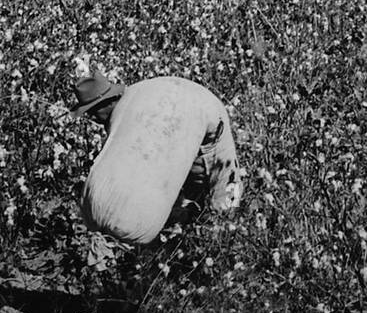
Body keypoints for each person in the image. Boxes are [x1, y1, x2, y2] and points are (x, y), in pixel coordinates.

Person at [70, 66, 243, 246]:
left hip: (207, 112)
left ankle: (228, 238)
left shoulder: (126, 109)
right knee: (187, 186)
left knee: (225, 183)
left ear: (107, 102)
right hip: (184, 100)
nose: (94, 119)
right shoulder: (132, 98)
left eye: (94, 111)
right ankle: (194, 234)